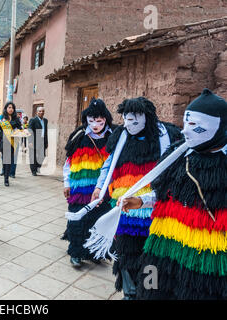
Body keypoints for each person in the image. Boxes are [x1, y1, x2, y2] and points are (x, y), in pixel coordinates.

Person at [120, 89, 227, 300]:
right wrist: (141, 201)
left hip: (204, 255)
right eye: (186, 124)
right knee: (152, 287)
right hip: (163, 246)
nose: (186, 131)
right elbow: (164, 193)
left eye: (195, 125)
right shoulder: (176, 154)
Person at [89, 97, 182, 300]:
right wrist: (99, 187)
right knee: (125, 252)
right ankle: (130, 293)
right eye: (126, 119)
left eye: (134, 119)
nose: (129, 124)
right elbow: (108, 164)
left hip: (156, 212)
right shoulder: (119, 137)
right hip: (125, 210)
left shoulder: (167, 136)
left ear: (146, 117)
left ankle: (148, 293)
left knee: (151, 257)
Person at [62, 99, 114, 268]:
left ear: (105, 119)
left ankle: (94, 252)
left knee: (99, 220)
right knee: (78, 219)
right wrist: (66, 183)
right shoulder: (78, 137)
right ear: (86, 119)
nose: (96, 125)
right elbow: (68, 163)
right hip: (80, 188)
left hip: (104, 189)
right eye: (92, 120)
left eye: (99, 121)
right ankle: (76, 253)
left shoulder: (113, 138)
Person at [0, 102, 22, 186]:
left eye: (12, 108)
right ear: (6, 108)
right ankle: (5, 176)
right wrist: (2, 135)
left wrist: (19, 132)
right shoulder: (1, 118)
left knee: (9, 160)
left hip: (13, 142)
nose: (11, 109)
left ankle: (6, 176)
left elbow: (20, 128)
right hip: (4, 141)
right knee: (5, 160)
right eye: (9, 107)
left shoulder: (16, 119)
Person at [28, 107, 48, 176]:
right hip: (34, 140)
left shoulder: (45, 120)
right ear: (37, 112)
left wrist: (46, 142)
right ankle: (33, 170)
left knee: (42, 155)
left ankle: (37, 167)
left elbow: (46, 132)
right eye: (40, 111)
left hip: (42, 140)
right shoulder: (33, 120)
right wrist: (30, 141)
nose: (41, 112)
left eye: (42, 111)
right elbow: (29, 131)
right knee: (33, 156)